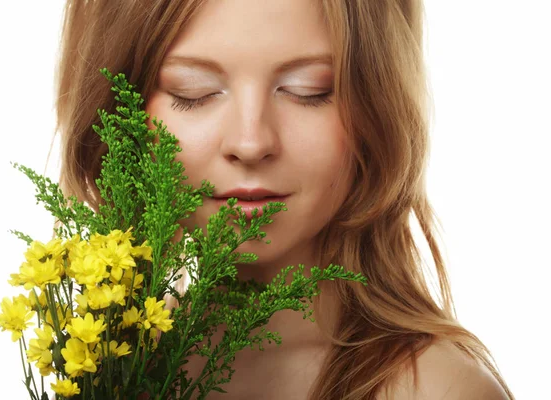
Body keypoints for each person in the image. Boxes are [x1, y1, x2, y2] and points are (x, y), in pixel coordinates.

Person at [53, 0, 514, 399]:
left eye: (308, 90)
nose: (251, 142)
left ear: (377, 103)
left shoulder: (436, 390)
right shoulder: (108, 357)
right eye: (192, 91)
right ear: (116, 112)